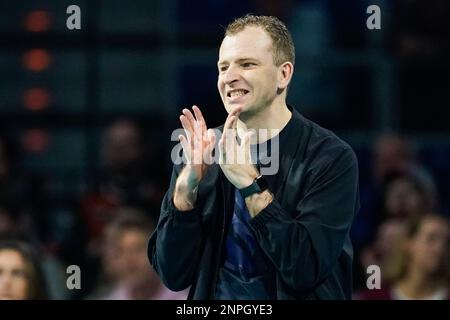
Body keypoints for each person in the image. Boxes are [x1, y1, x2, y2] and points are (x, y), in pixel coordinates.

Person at [148, 14, 359, 299]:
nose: (230, 77)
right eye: (223, 67)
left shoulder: (330, 157)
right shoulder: (201, 151)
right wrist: (183, 199)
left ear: (283, 74)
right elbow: (173, 275)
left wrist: (250, 184)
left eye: (247, 64)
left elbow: (304, 268)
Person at [356, 213, 450, 300]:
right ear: (408, 242)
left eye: (447, 242)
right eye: (431, 239)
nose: (440, 248)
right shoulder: (375, 296)